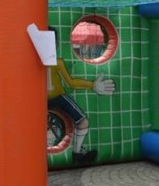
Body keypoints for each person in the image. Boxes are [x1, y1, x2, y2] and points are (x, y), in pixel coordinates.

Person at [47, 28, 116, 165]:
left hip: (57, 97)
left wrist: (92, 85)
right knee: (82, 121)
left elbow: (71, 82)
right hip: (49, 97)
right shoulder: (52, 62)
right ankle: (77, 152)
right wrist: (92, 85)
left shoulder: (57, 62)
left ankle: (77, 153)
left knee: (83, 121)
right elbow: (71, 82)